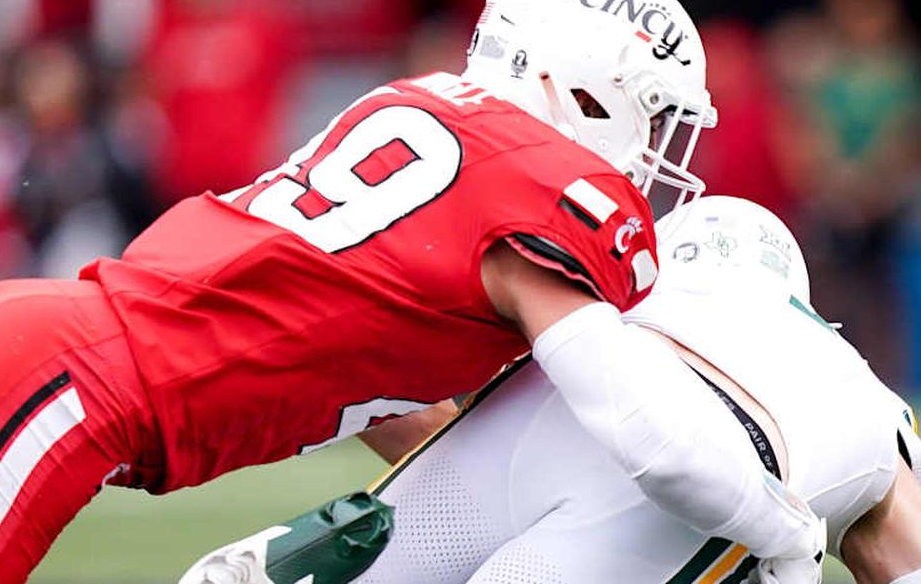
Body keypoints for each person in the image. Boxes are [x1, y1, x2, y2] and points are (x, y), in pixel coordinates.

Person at [0, 0, 820, 584]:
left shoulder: (420, 106)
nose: (656, 153)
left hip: (23, 334)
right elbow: (655, 435)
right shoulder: (544, 205)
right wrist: (783, 527)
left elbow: (351, 351)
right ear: (574, 84)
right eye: (651, 113)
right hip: (62, 389)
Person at [178, 196, 921, 584]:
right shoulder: (855, 387)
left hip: (555, 424)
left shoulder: (624, 305)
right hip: (723, 483)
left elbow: (450, 422)